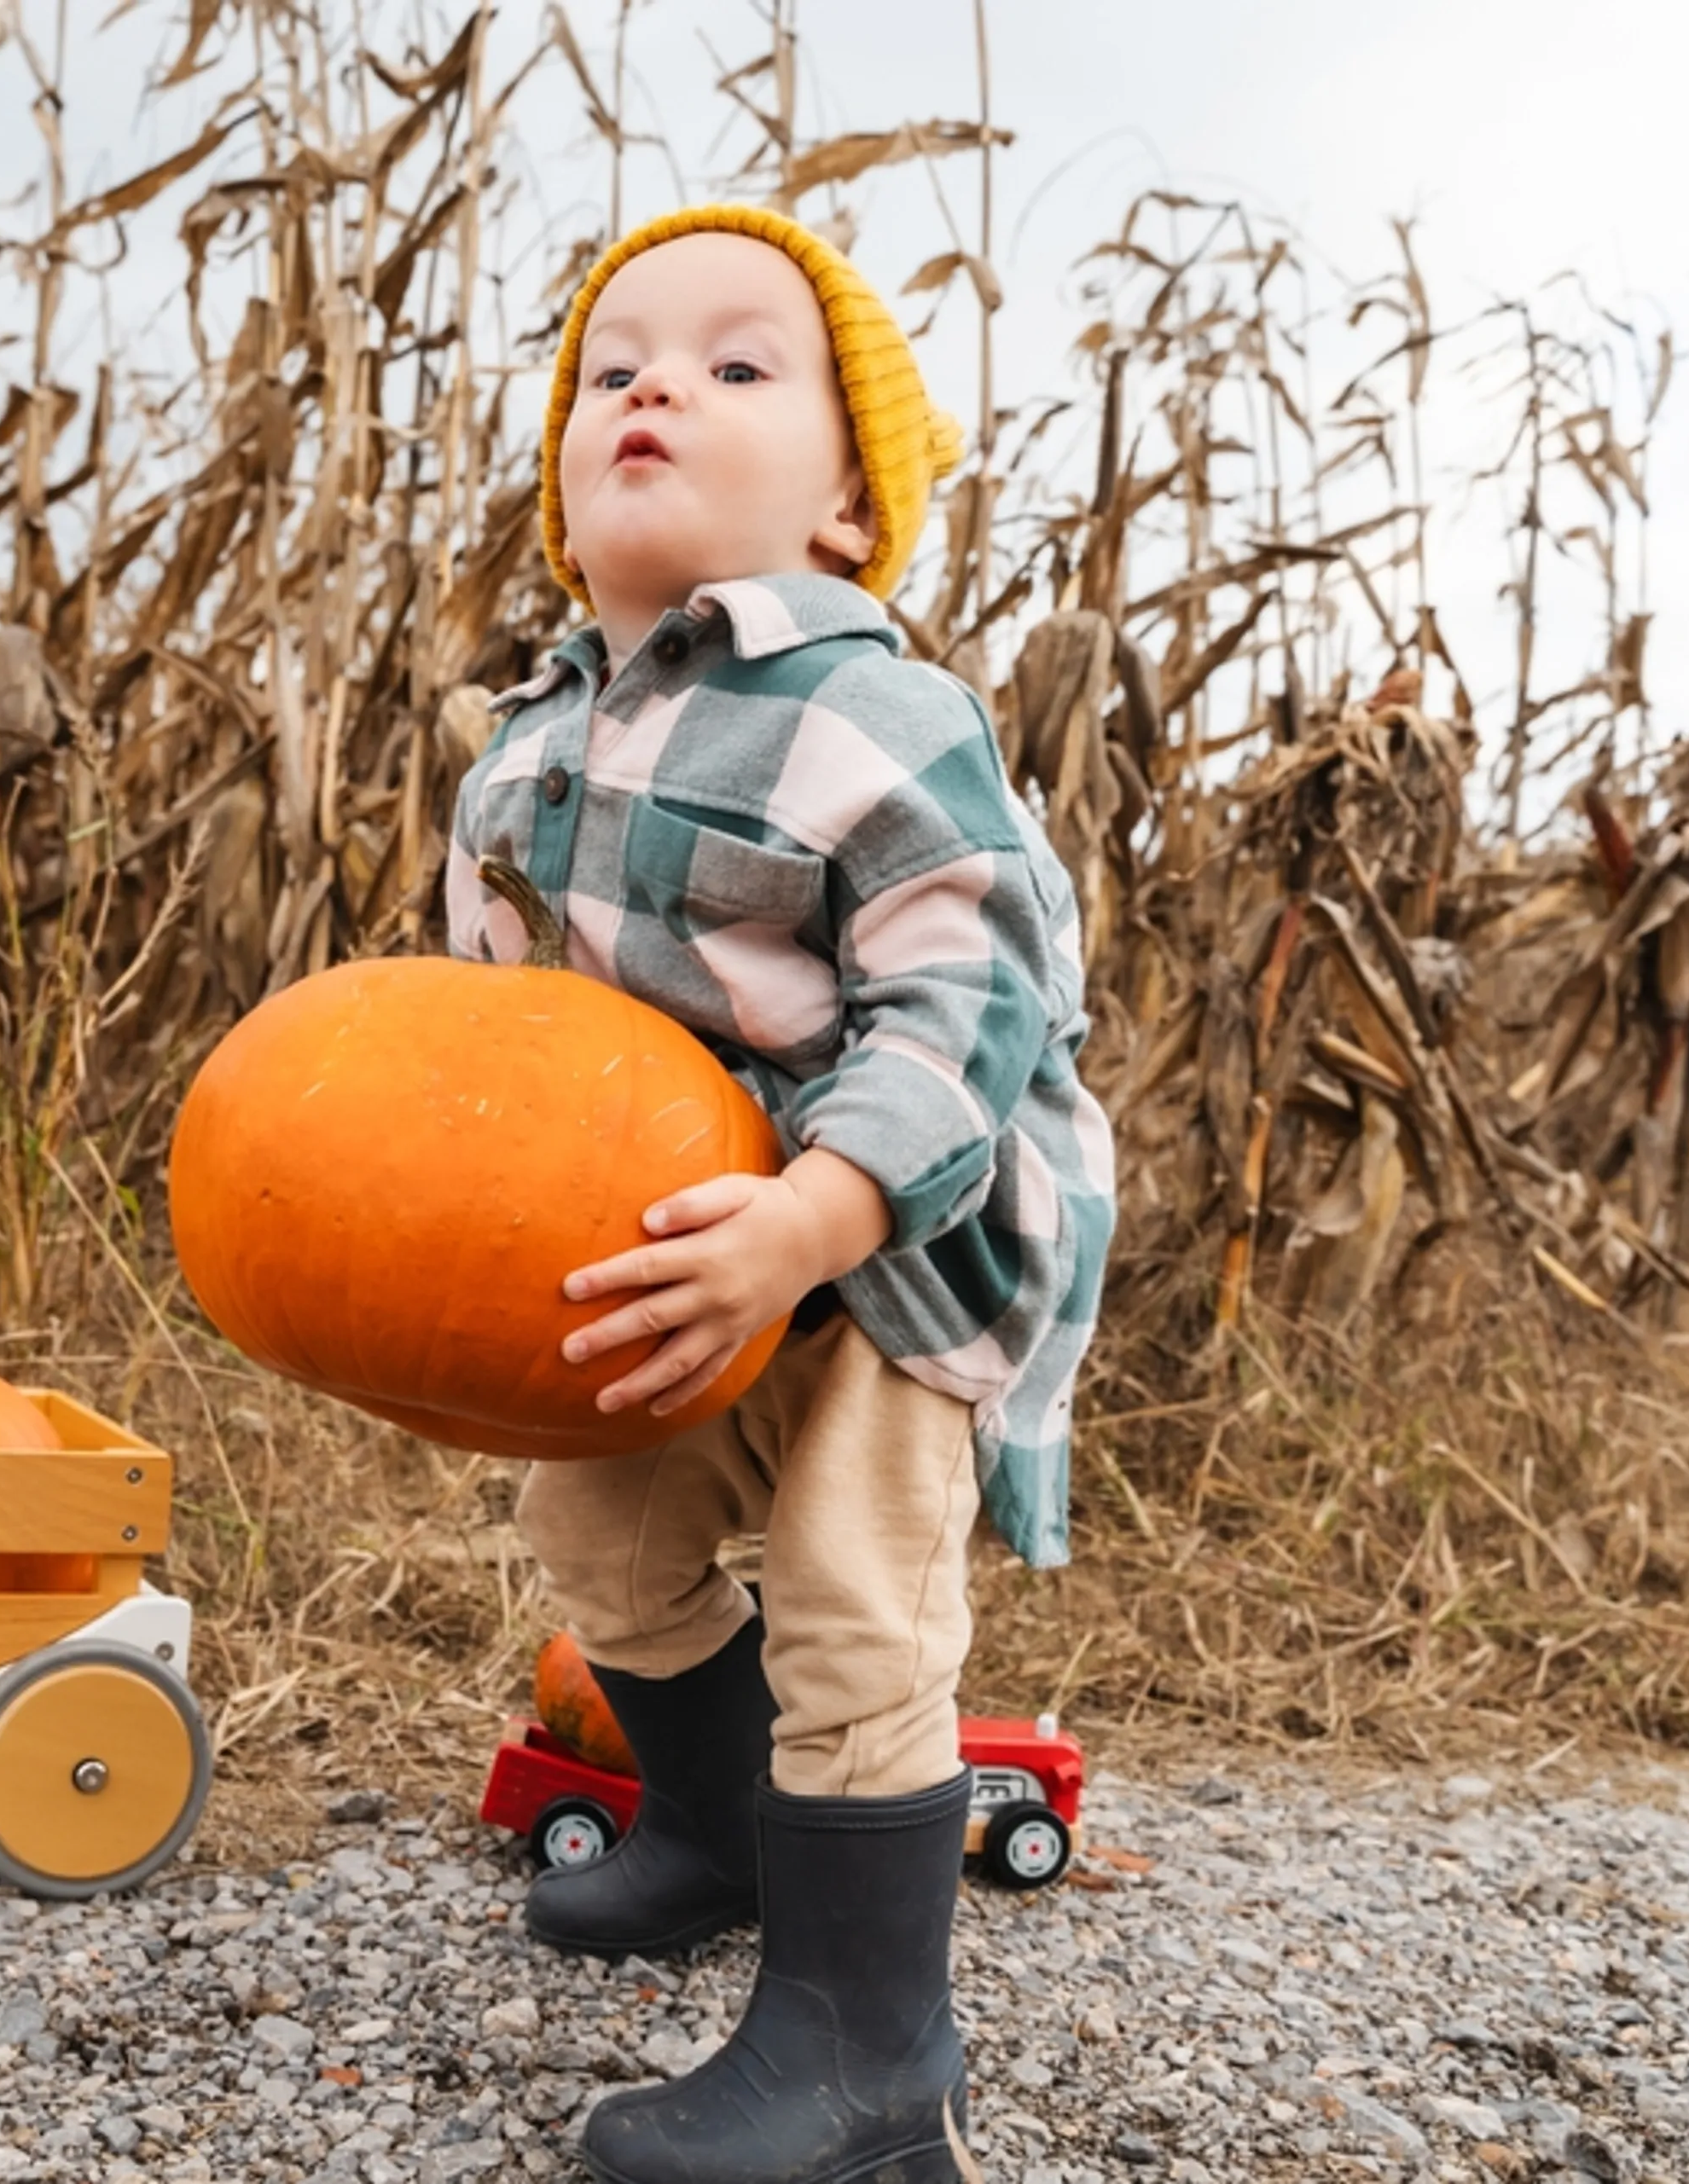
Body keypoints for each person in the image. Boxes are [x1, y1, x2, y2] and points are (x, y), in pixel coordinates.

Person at [442, 204, 1117, 2184]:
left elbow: (973, 1001)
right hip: (681, 1245)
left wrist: (821, 1217)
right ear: (566, 481)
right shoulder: (523, 748)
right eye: (614, 367)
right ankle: (727, 1833)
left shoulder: (876, 714)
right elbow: (487, 1061)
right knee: (605, 1526)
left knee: (851, 1600)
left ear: (846, 512)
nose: (657, 384)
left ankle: (870, 2053)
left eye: (741, 366)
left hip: (907, 1248)